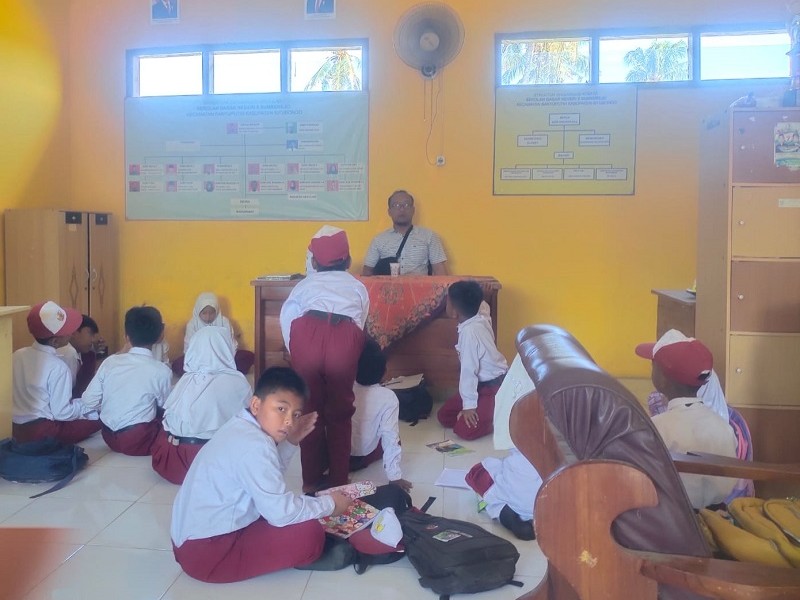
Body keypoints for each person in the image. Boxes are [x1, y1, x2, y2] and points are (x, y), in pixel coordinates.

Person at [170, 367, 352, 583]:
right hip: (208, 553)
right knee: (310, 534)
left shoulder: (241, 425)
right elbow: (280, 513)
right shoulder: (256, 444)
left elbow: (266, 476)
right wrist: (331, 505)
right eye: (281, 409)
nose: (289, 421)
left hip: (189, 543)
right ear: (256, 405)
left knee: (296, 509)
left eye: (295, 414)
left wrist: (292, 441)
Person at [280, 226, 369, 493]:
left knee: (309, 412)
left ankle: (311, 481)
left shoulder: (304, 285)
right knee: (340, 413)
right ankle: (338, 481)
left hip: (306, 337)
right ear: (348, 260)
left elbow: (288, 318)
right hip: (344, 340)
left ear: (315, 263)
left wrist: (297, 353)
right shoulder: (357, 286)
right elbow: (359, 323)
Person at [635, 329, 738, 509]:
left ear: (663, 380)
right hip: (718, 514)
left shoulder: (658, 428)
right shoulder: (723, 427)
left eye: (653, 366)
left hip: (673, 514)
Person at [151, 327, 252, 484]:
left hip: (169, 461)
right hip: (206, 462)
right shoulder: (236, 381)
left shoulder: (185, 379)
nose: (236, 344)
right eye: (231, 340)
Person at [81, 306, 173, 456]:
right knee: (170, 414)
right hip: (138, 439)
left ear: (126, 336)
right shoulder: (161, 370)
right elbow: (166, 407)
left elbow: (88, 401)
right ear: (160, 334)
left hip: (109, 437)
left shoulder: (110, 362)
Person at [12, 301, 102, 444]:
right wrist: (86, 406)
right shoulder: (58, 367)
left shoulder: (17, 355)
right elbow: (62, 413)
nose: (71, 333)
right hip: (43, 432)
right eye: (67, 332)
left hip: (14, 429)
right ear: (55, 342)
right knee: (99, 420)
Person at [437, 281, 508, 440]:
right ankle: (483, 410)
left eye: (448, 301)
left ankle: (501, 416)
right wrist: (485, 297)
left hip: (493, 387)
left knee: (464, 431)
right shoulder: (479, 316)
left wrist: (469, 406)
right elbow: (484, 309)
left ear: (454, 312)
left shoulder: (470, 333)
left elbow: (469, 372)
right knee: (444, 416)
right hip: (479, 386)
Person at [350, 339, 412, 492]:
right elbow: (390, 437)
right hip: (361, 458)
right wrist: (394, 476)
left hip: (336, 459)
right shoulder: (388, 397)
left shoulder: (344, 389)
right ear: (384, 372)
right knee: (393, 436)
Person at [362, 190, 448, 276]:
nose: (402, 209)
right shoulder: (379, 240)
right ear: (389, 212)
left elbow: (440, 272)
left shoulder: (429, 236)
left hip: (419, 284)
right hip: (388, 285)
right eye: (396, 205)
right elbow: (367, 272)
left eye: (406, 205)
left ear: (413, 210)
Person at [171, 291, 254, 376]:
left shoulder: (224, 322)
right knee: (177, 364)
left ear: (217, 311)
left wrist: (222, 359)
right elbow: (189, 348)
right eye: (204, 313)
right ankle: (218, 371)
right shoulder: (192, 324)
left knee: (249, 356)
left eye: (211, 313)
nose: (208, 317)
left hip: (222, 359)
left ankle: (208, 372)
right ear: (198, 311)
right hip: (200, 361)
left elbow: (231, 344)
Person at [56, 314, 101, 399]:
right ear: (74, 332)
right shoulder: (68, 352)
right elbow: (67, 393)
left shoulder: (82, 353)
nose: (93, 340)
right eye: (90, 334)